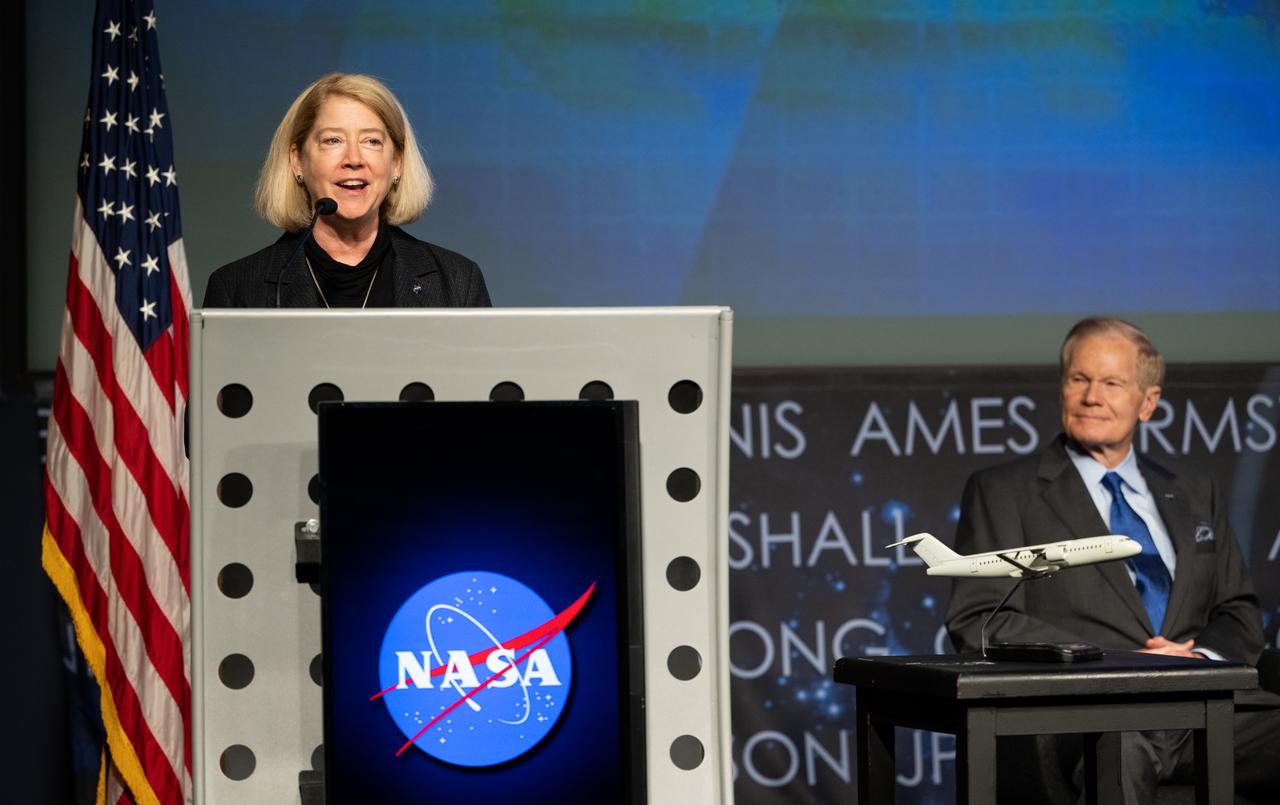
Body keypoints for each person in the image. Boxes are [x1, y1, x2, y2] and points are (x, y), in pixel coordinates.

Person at [945, 316, 1278, 803]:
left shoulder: (1193, 491)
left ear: (1148, 403)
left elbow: (1238, 612)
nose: (1091, 396)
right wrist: (1116, 663)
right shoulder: (1003, 491)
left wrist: (1196, 661)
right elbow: (979, 619)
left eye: (1111, 383)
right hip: (1090, 713)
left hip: (1203, 707)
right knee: (1118, 749)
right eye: (1079, 379)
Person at [203, 73, 490, 308]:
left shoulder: (457, 283)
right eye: (333, 141)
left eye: (372, 141)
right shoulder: (236, 289)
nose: (353, 159)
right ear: (297, 160)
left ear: (397, 163)